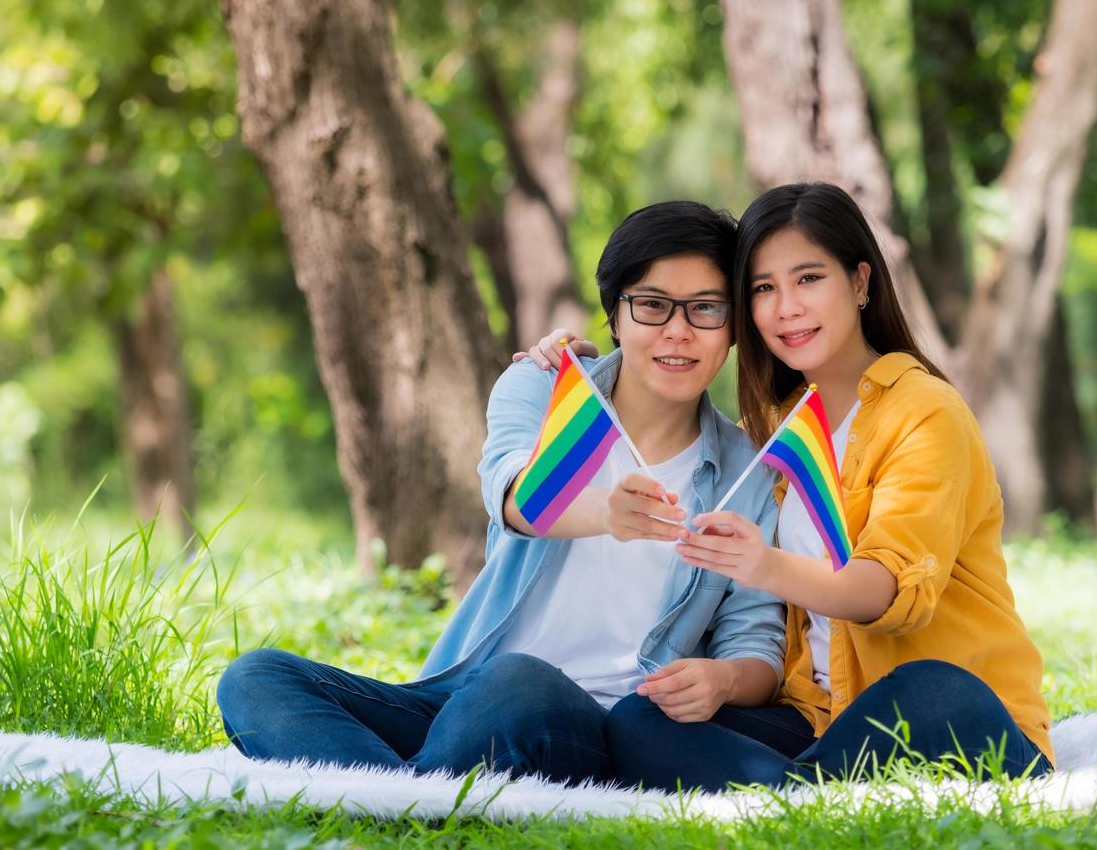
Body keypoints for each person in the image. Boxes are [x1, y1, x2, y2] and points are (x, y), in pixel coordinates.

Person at [215, 201, 785, 785]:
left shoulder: (750, 475)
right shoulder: (545, 389)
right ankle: (406, 802)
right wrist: (606, 513)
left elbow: (756, 640)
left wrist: (722, 682)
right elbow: (511, 498)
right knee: (254, 678)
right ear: (615, 316)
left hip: (593, 724)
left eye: (706, 308)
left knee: (520, 680)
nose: (678, 330)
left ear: (735, 327)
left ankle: (393, 801)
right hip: (463, 699)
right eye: (652, 305)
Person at [527, 182, 1053, 792]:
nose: (786, 308)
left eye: (808, 279)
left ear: (859, 284)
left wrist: (761, 563)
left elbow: (888, 593)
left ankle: (785, 793)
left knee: (928, 687)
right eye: (763, 289)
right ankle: (805, 793)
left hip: (956, 718)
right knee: (642, 721)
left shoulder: (924, 412)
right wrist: (590, 362)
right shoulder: (775, 431)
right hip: (820, 722)